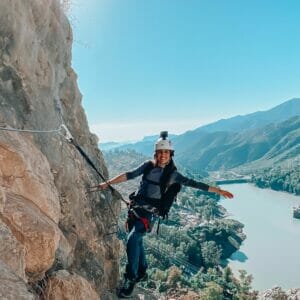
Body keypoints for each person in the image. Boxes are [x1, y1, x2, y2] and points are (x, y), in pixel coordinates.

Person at [97, 131, 234, 298]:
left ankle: (131, 278)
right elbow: (129, 174)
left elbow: (195, 184)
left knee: (132, 239)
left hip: (150, 214)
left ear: (171, 154)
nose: (163, 156)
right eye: (160, 152)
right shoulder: (148, 166)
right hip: (136, 208)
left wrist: (218, 190)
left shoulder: (173, 175)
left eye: (166, 153)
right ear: (156, 153)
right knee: (137, 240)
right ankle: (142, 271)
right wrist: (108, 183)